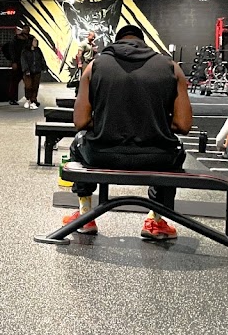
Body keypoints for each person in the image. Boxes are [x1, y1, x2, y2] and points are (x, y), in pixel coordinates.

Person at [61, 24, 193, 241]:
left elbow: (80, 121)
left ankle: (85, 215)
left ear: (117, 41)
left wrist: (109, 123)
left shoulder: (93, 67)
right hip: (157, 157)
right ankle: (156, 220)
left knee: (78, 143)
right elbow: (183, 124)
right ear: (142, 42)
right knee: (176, 149)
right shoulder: (172, 67)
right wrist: (152, 124)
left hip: (102, 155)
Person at [1, 27, 32, 105]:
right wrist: (13, 61)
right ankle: (12, 98)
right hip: (18, 63)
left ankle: (29, 98)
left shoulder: (30, 39)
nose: (27, 30)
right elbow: (12, 51)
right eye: (25, 29)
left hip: (26, 64)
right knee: (15, 81)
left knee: (28, 82)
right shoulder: (15, 40)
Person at [21, 37, 45, 110]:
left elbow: (41, 59)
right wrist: (26, 70)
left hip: (37, 71)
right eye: (34, 41)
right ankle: (28, 99)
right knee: (28, 86)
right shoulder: (25, 51)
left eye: (36, 41)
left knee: (35, 86)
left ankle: (33, 101)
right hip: (28, 72)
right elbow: (23, 61)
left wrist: (44, 67)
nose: (36, 42)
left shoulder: (38, 50)